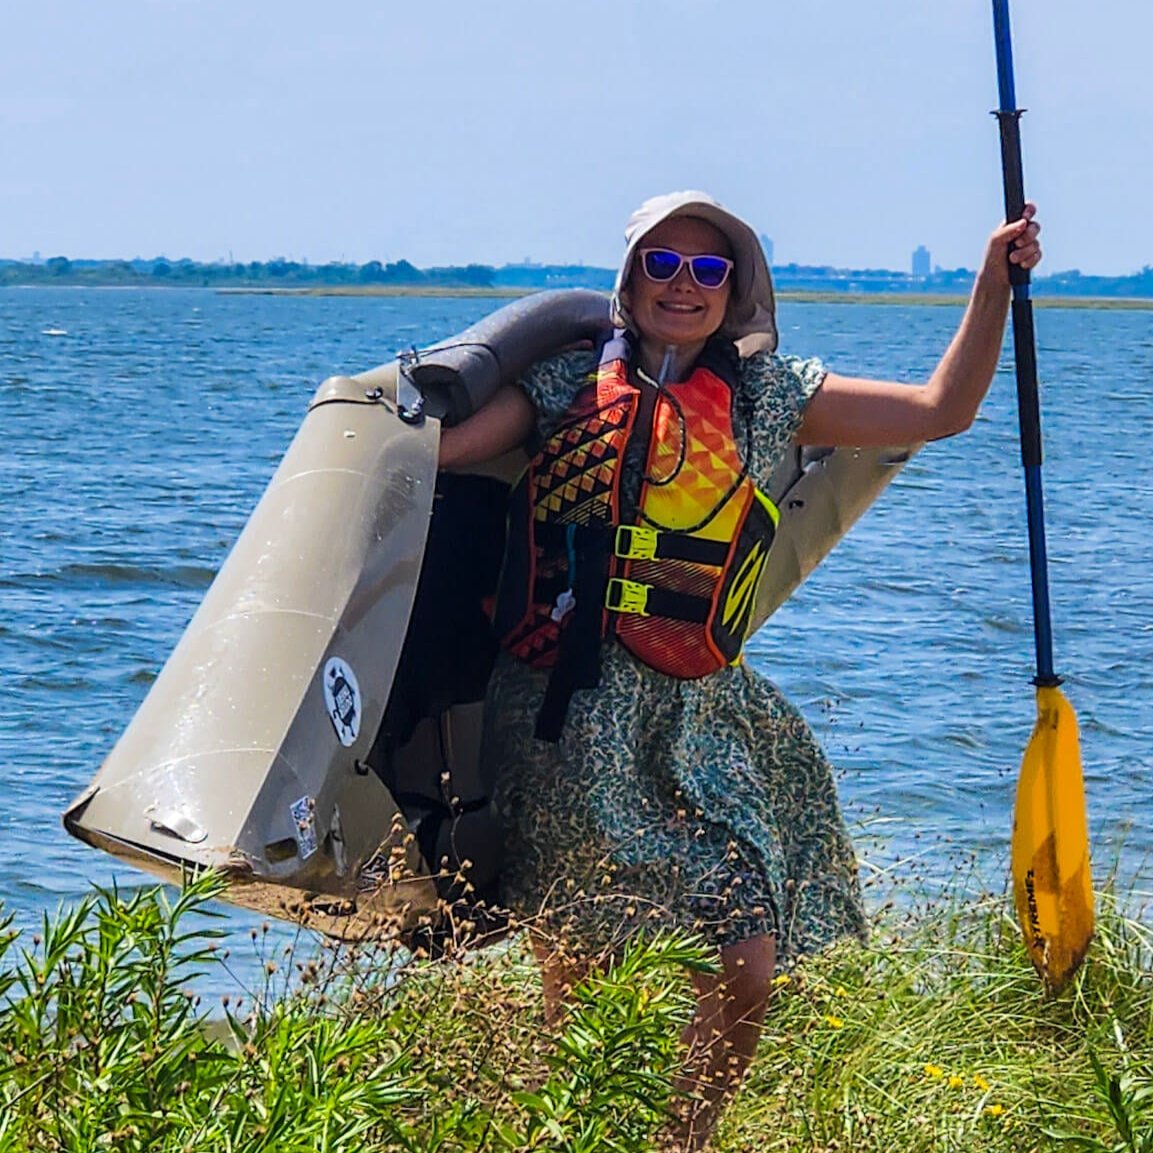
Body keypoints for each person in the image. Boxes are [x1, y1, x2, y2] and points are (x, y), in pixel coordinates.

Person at [438, 190, 1042, 1150]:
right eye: (662, 265)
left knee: (745, 960)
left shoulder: (774, 395)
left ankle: (683, 1142)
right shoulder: (560, 386)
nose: (684, 286)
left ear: (737, 289)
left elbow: (942, 409)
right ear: (629, 280)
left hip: (702, 711)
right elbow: (438, 449)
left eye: (708, 270)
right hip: (565, 707)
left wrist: (991, 284)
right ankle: (564, 1135)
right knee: (578, 976)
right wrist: (368, 416)